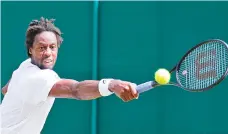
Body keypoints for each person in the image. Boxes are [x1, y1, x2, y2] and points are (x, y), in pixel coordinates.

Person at [1, 17, 139, 134]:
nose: (48, 53)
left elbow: (5, 89)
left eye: (52, 47)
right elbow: (75, 90)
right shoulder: (39, 78)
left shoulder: (25, 66)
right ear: (31, 50)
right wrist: (111, 85)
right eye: (42, 48)